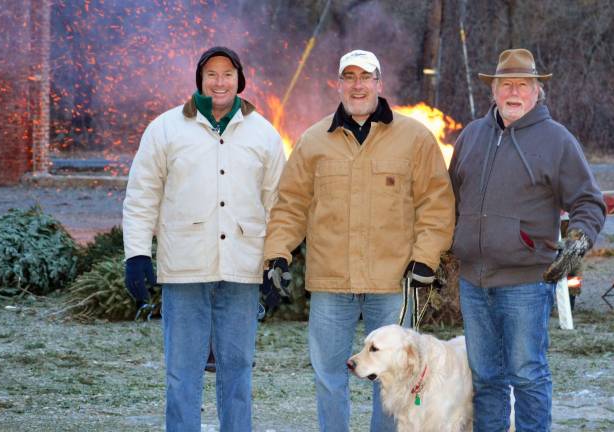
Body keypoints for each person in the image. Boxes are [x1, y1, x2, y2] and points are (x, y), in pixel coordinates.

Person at [262, 49, 455, 432]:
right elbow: (290, 205)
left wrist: (425, 259)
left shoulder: (415, 138)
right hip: (331, 284)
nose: (357, 85)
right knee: (330, 376)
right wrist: (278, 254)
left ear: (379, 83)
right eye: (349, 77)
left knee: (392, 377)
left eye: (365, 77)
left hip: (393, 283)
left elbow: (437, 203)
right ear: (338, 85)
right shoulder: (314, 141)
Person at [122, 46, 286, 431]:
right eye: (211, 74)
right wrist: (136, 254)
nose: (219, 81)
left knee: (238, 373)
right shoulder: (165, 128)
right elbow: (142, 195)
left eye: (227, 74)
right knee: (182, 373)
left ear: (239, 80)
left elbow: (279, 203)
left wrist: (276, 260)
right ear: (200, 79)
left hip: (242, 271)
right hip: (184, 270)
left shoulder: (263, 133)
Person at [449, 48, 606, 431]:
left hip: (526, 281)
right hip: (473, 282)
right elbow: (450, 198)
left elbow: (589, 201)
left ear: (537, 91)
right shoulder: (471, 136)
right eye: (506, 84)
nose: (513, 92)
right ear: (494, 91)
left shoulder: (556, 141)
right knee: (485, 379)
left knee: (527, 376)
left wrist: (579, 241)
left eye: (523, 84)